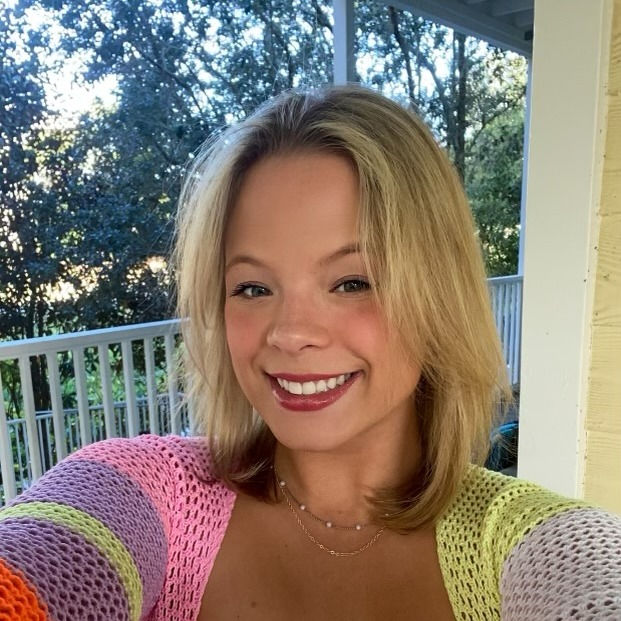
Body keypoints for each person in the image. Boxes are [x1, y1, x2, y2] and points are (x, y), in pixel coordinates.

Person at [0, 85, 619, 621]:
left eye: (352, 282)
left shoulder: (533, 544)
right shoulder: (145, 493)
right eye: (252, 288)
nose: (290, 333)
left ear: (438, 294)